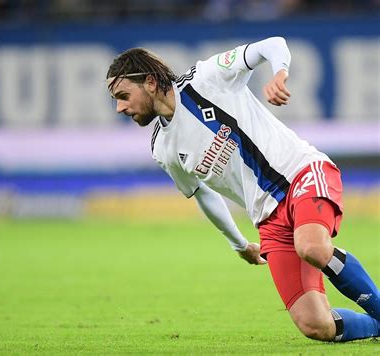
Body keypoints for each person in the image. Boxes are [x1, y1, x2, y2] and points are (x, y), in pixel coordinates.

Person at [106, 37, 379, 342]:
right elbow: (201, 193)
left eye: (123, 95)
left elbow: (272, 45)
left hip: (300, 173)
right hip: (267, 218)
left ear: (151, 82)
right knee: (316, 326)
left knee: (312, 247)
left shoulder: (207, 78)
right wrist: (238, 243)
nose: (119, 108)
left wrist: (280, 72)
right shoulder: (163, 148)